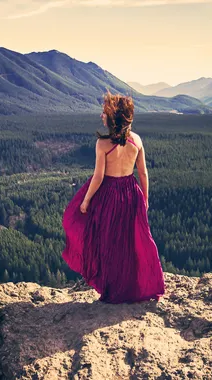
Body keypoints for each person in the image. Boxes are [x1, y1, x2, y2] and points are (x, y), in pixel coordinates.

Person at [61, 91, 166, 304]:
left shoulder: (102, 145)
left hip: (108, 195)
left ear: (112, 118)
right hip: (130, 193)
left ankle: (111, 289)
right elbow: (143, 173)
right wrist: (145, 198)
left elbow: (99, 177)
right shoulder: (136, 140)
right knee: (129, 243)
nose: (101, 116)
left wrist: (86, 200)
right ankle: (135, 287)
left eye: (104, 113)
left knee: (108, 243)